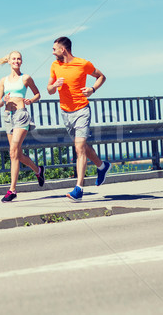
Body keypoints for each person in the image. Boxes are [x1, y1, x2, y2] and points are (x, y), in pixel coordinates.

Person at [47, 36, 112, 201]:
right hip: (65, 112)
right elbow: (49, 89)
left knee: (79, 148)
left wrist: (92, 89)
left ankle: (79, 189)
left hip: (82, 110)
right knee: (81, 147)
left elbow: (101, 76)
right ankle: (102, 166)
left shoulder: (83, 64)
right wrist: (54, 86)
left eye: (55, 49)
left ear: (63, 50)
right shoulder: (55, 65)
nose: (53, 52)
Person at [0, 51, 45, 202]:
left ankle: (12, 190)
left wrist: (31, 100)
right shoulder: (3, 81)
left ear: (21, 62)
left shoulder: (26, 78)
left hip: (21, 115)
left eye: (19, 59)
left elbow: (38, 94)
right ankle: (38, 170)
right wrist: (3, 100)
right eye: (14, 59)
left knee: (13, 151)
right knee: (16, 154)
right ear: (9, 62)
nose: (16, 61)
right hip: (7, 117)